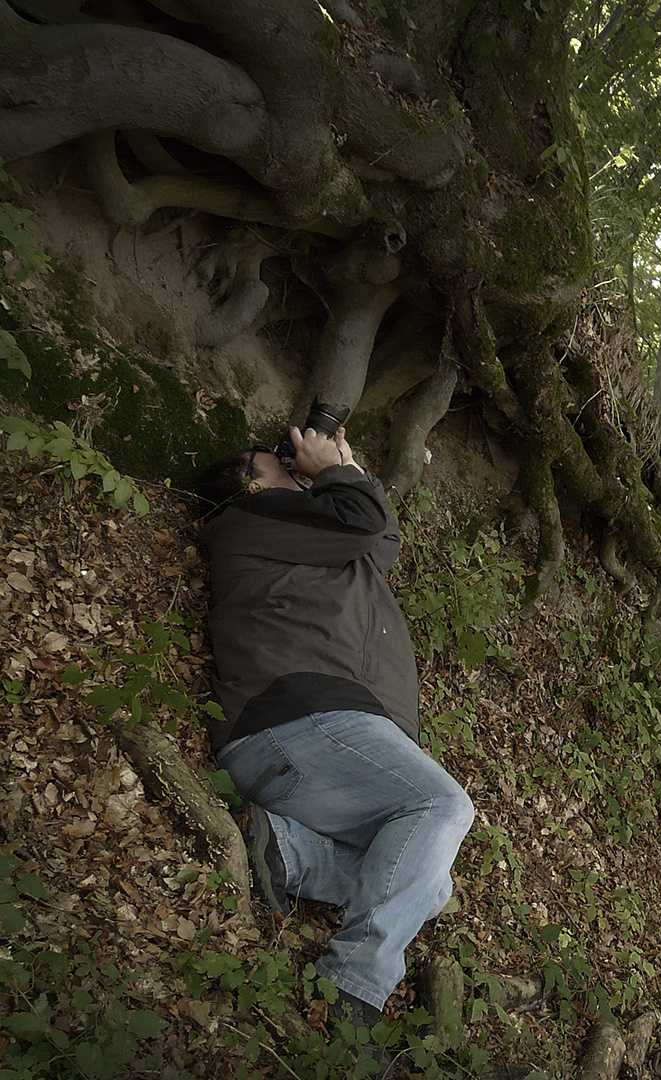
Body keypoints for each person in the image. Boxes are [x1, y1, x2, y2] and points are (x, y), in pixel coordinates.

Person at [196, 425, 475, 1043]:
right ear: (252, 485)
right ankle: (351, 987)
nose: (297, 474)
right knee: (442, 805)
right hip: (294, 725)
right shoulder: (249, 521)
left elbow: (380, 537)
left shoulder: (317, 539)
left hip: (324, 740)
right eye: (283, 468)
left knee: (427, 886)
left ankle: (285, 852)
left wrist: (345, 466)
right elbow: (362, 522)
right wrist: (331, 473)